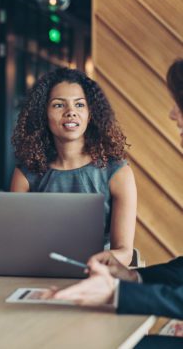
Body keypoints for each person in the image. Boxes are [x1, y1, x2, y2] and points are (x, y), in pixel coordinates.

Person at [45, 59, 183, 348]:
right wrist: (131, 276)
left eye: (179, 104)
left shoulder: (116, 171)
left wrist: (117, 294)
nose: (173, 114)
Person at [10, 68, 136, 265]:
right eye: (59, 105)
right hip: (39, 272)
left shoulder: (118, 173)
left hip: (96, 275)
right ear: (43, 114)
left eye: (79, 104)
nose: (71, 112)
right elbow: (15, 243)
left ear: (90, 114)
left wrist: (89, 264)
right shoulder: (25, 175)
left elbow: (124, 253)